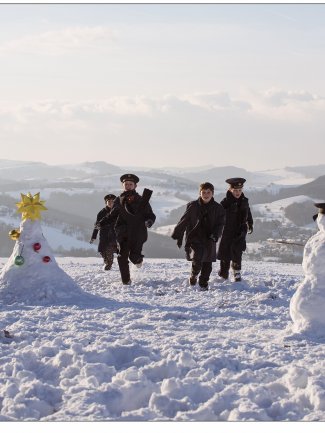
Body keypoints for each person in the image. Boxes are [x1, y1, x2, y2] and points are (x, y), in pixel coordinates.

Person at [97, 174, 156, 285]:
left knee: (134, 258)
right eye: (126, 184)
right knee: (121, 257)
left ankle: (139, 260)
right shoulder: (118, 200)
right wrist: (101, 223)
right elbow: (112, 215)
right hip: (122, 234)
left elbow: (150, 215)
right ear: (122, 185)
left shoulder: (141, 200)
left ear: (135, 186)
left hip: (138, 234)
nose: (128, 186)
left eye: (130, 184)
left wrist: (149, 221)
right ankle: (126, 281)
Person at [171, 182, 225, 291]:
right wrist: (178, 234)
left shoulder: (218, 208)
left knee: (207, 265)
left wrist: (215, 235)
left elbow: (220, 224)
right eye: (203, 192)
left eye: (208, 192)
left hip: (210, 238)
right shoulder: (193, 205)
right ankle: (194, 274)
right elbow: (184, 220)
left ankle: (203, 284)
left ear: (212, 193)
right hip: (195, 237)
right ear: (200, 193)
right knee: (198, 258)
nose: (206, 194)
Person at [217, 177, 253, 282]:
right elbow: (218, 216)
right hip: (227, 231)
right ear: (230, 190)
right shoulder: (225, 203)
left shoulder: (245, 201)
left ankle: (237, 271)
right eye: (235, 190)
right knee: (225, 253)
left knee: (238, 252)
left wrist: (250, 223)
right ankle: (224, 273)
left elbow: (248, 212)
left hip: (240, 231)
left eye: (240, 190)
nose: (237, 192)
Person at [90, 194, 117, 270]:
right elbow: (97, 225)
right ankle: (107, 261)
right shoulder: (101, 213)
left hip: (114, 236)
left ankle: (109, 264)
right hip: (104, 235)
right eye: (109, 201)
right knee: (102, 251)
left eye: (112, 201)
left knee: (109, 250)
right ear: (106, 202)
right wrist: (93, 237)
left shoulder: (117, 212)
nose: (110, 203)